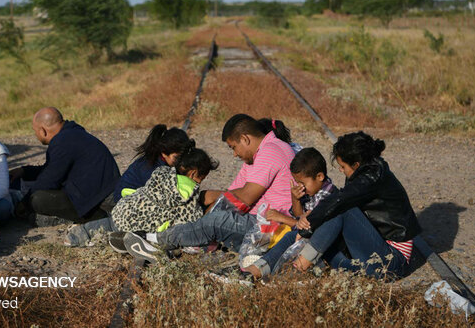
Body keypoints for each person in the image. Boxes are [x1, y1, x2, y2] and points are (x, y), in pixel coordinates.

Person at [122, 113, 296, 263]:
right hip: (257, 220)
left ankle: (153, 241)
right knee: (212, 214)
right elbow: (229, 198)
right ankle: (185, 242)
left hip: (270, 227)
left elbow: (246, 197)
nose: (235, 154)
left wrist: (211, 197)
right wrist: (207, 209)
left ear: (245, 139)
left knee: (215, 222)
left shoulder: (271, 151)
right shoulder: (254, 157)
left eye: (234, 147)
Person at [293, 131, 421, 279]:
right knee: (315, 236)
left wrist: (310, 222)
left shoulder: (372, 177)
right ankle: (263, 267)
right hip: (374, 253)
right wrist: (308, 227)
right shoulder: (364, 173)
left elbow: (340, 200)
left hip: (392, 263)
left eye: (342, 167)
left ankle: (301, 265)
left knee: (343, 209)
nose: (341, 171)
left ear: (356, 164)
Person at [65, 144, 218, 247]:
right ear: (193, 173)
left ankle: (78, 234)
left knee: (109, 224)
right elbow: (191, 221)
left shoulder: (161, 172)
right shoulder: (189, 193)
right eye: (201, 179)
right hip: (139, 228)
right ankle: (118, 239)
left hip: (123, 210)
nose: (199, 184)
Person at [10, 107, 120, 223]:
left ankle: (96, 218)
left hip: (101, 202)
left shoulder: (62, 142)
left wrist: (24, 204)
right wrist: (24, 171)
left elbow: (48, 181)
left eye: (35, 131)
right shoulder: (72, 134)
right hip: (100, 193)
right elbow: (51, 169)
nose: (36, 134)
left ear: (43, 131)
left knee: (37, 199)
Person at [244, 147, 335, 278]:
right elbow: (299, 217)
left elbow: (307, 228)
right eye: (297, 182)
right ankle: (259, 269)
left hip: (321, 248)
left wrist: (282, 218)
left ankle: (263, 270)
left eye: (302, 182)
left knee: (290, 236)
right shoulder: (312, 191)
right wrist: (295, 199)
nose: (300, 186)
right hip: (308, 240)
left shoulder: (327, 195)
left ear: (320, 176)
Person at [113, 124, 191, 202]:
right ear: (164, 153)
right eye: (177, 157)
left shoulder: (161, 161)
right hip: (126, 204)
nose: (181, 161)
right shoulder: (151, 168)